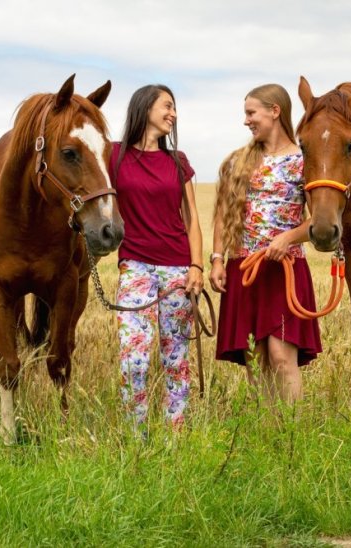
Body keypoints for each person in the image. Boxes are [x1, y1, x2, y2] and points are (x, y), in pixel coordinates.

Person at [209, 83, 322, 403]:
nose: (246, 120)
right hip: (243, 267)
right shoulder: (238, 161)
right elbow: (222, 212)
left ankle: (290, 438)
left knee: (282, 357)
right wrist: (217, 259)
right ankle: (265, 434)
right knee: (255, 360)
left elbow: (319, 220)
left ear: (275, 111)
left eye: (251, 112)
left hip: (285, 271)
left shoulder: (303, 161)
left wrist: (288, 238)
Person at [110, 84, 204, 434]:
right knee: (133, 358)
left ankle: (175, 440)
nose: (173, 114)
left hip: (178, 266)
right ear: (145, 106)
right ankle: (137, 439)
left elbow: (192, 217)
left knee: (176, 358)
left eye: (175, 108)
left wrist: (196, 266)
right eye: (167, 106)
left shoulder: (178, 162)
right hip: (135, 265)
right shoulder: (113, 156)